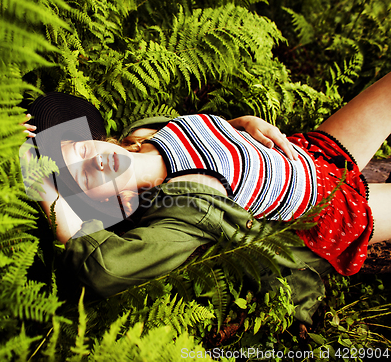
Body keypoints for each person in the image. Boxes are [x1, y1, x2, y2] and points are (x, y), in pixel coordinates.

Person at [20, 73, 391, 323]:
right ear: (105, 201)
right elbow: (104, 270)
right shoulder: (181, 211)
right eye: (84, 175)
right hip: (328, 213)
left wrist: (240, 124)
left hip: (307, 154)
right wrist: (51, 198)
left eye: (83, 148)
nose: (95, 160)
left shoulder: (147, 131)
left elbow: (208, 142)